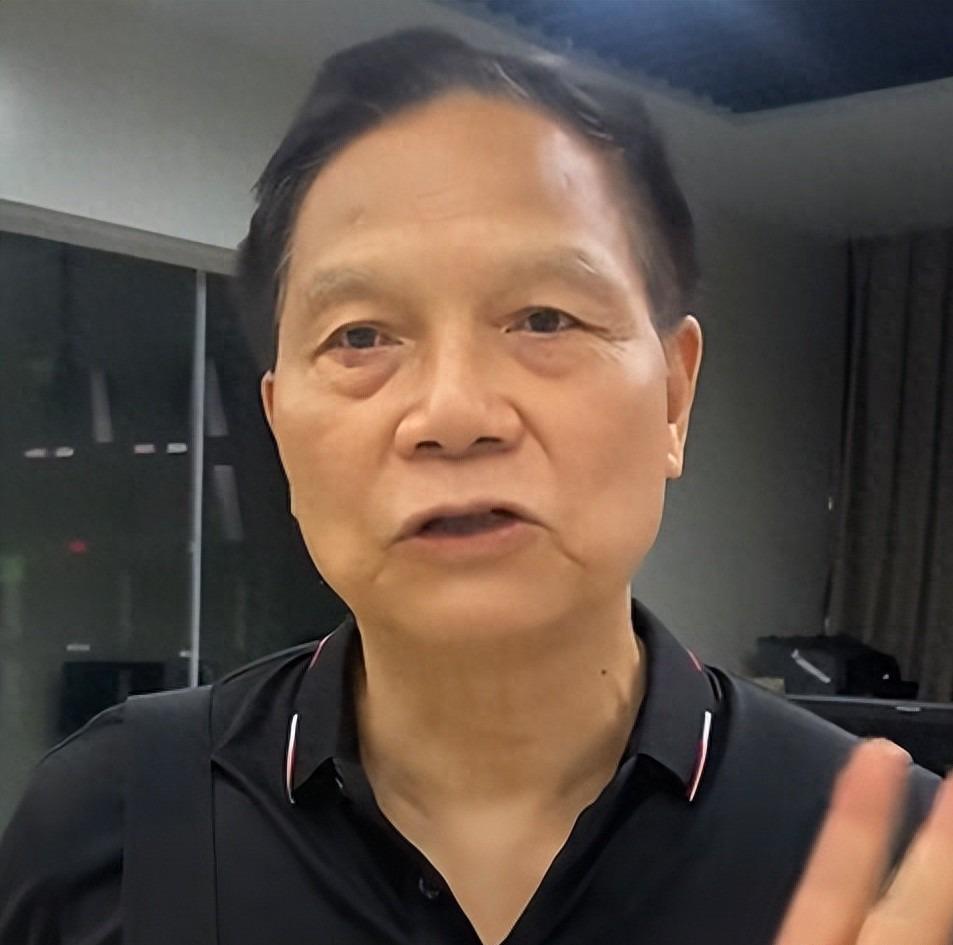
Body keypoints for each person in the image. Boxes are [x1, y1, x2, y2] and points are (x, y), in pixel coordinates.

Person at [1, 26, 951, 945]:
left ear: (673, 395)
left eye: (544, 318)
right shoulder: (114, 825)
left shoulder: (898, 867)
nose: (453, 413)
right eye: (361, 336)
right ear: (282, 428)